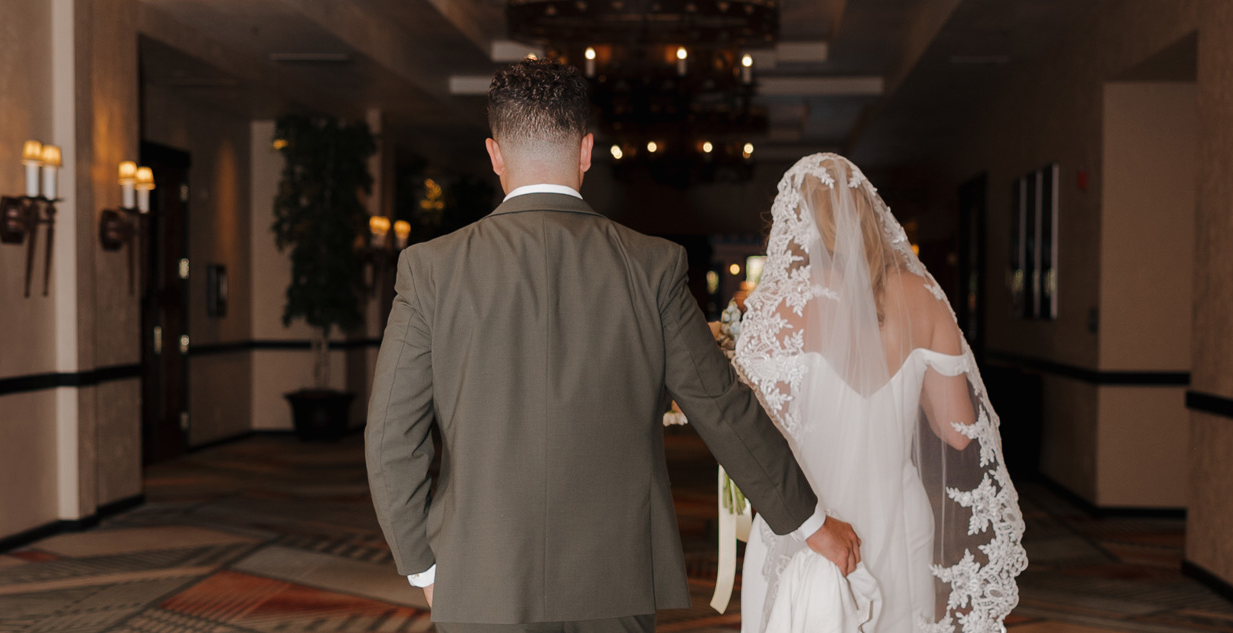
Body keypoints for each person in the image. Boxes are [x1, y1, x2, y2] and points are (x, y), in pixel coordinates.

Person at [364, 60, 862, 633]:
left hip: (480, 576)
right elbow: (722, 407)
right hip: (614, 578)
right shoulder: (651, 265)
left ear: (495, 154)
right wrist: (809, 521)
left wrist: (423, 568)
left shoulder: (432, 270)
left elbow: (389, 440)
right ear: (586, 151)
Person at [732, 154, 1028, 633]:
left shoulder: (782, 307)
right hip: (898, 518)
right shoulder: (923, 297)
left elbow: (749, 430)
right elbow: (956, 432)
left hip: (808, 522)